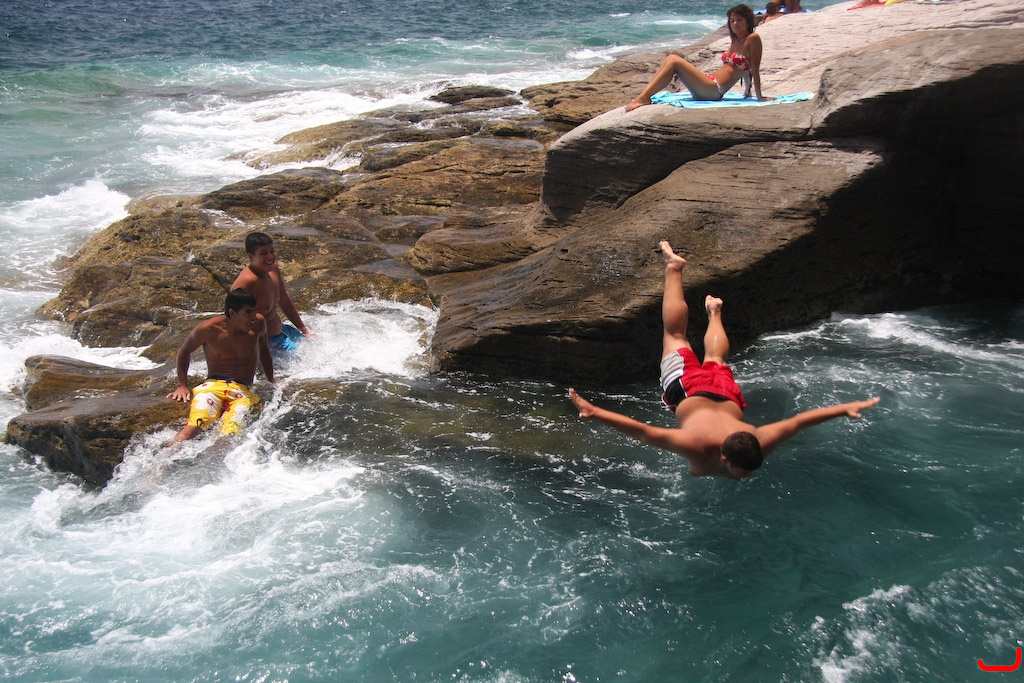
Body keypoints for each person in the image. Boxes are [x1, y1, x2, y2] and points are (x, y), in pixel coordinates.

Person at [568, 241, 880, 479]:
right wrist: (595, 412)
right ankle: (674, 268)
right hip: (687, 389)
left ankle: (715, 311)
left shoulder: (758, 441)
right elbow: (644, 432)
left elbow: (800, 422)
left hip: (725, 393)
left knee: (716, 356)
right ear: (724, 457)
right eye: (740, 472)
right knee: (675, 335)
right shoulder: (696, 444)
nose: (745, 477)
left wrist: (844, 409)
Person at [167, 289, 275, 442]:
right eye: (248, 312)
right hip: (213, 386)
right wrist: (182, 385)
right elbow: (184, 350)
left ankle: (216, 457)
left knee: (230, 433)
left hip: (242, 390)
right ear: (232, 313)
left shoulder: (258, 324)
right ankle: (165, 457)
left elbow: (264, 351)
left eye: (255, 311)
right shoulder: (209, 328)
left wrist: (271, 380)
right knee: (195, 425)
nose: (253, 317)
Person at [625, 4, 769, 111]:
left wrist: (759, 96)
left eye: (739, 20)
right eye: (732, 21)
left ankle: (644, 98)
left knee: (674, 60)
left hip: (714, 91)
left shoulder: (753, 38)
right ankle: (644, 96)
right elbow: (743, 70)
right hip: (708, 83)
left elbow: (754, 68)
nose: (735, 24)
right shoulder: (735, 40)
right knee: (670, 58)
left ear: (748, 21)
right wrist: (747, 92)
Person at [231, 231, 312, 353]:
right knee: (307, 360)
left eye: (272, 251)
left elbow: (284, 300)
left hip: (282, 330)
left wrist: (303, 329)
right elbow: (233, 319)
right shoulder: (248, 282)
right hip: (268, 343)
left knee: (317, 347)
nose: (270, 257)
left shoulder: (273, 268)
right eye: (264, 253)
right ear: (251, 257)